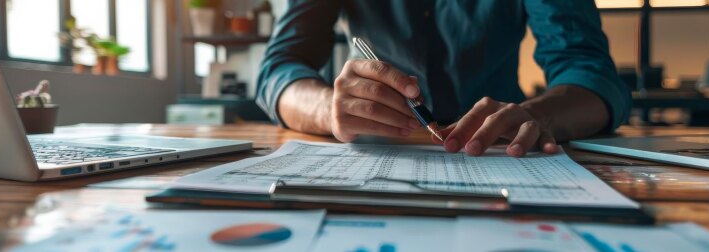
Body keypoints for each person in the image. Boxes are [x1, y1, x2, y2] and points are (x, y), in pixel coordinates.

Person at [256, 1, 630, 157]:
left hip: (503, 149)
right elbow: (279, 70)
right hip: (374, 151)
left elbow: (592, 75)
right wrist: (328, 109)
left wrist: (540, 115)